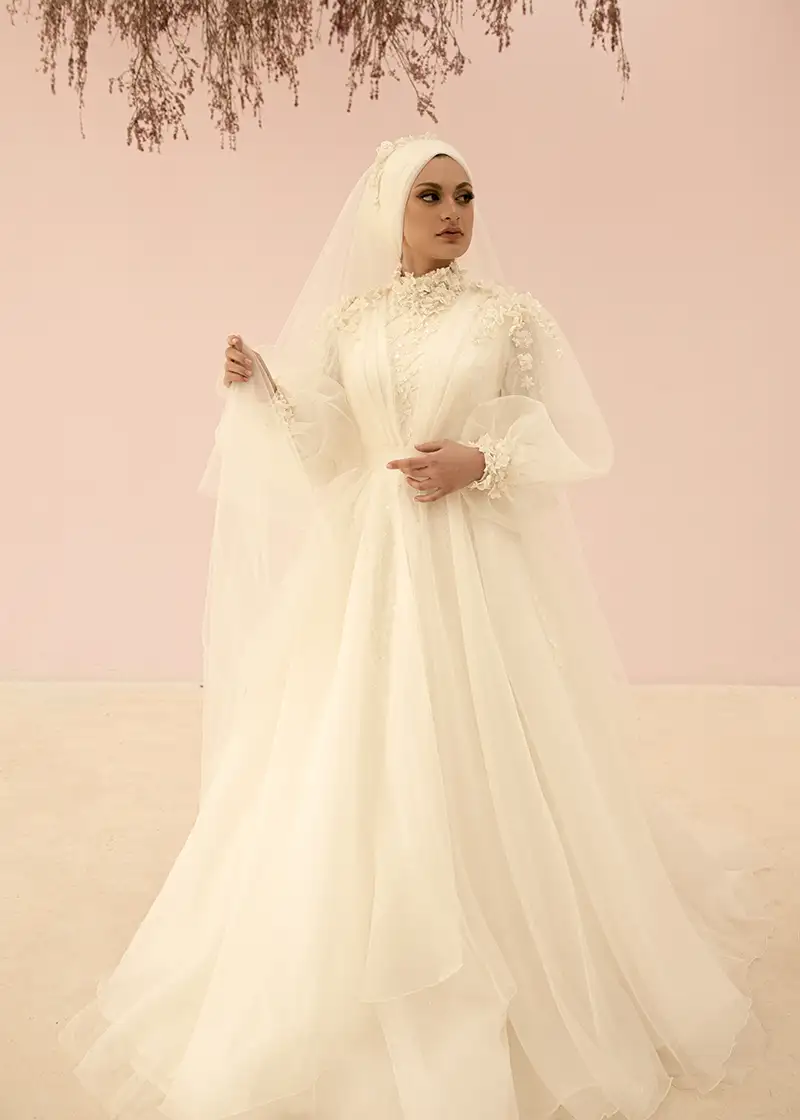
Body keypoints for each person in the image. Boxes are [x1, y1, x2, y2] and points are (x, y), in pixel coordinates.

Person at [59, 135, 772, 1120]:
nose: (452, 212)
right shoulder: (352, 321)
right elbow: (330, 444)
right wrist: (264, 388)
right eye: (428, 195)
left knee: (493, 745)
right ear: (386, 210)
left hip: (475, 565)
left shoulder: (509, 315)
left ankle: (520, 933)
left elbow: (567, 433)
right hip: (369, 565)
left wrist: (479, 460)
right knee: (354, 746)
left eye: (464, 195)